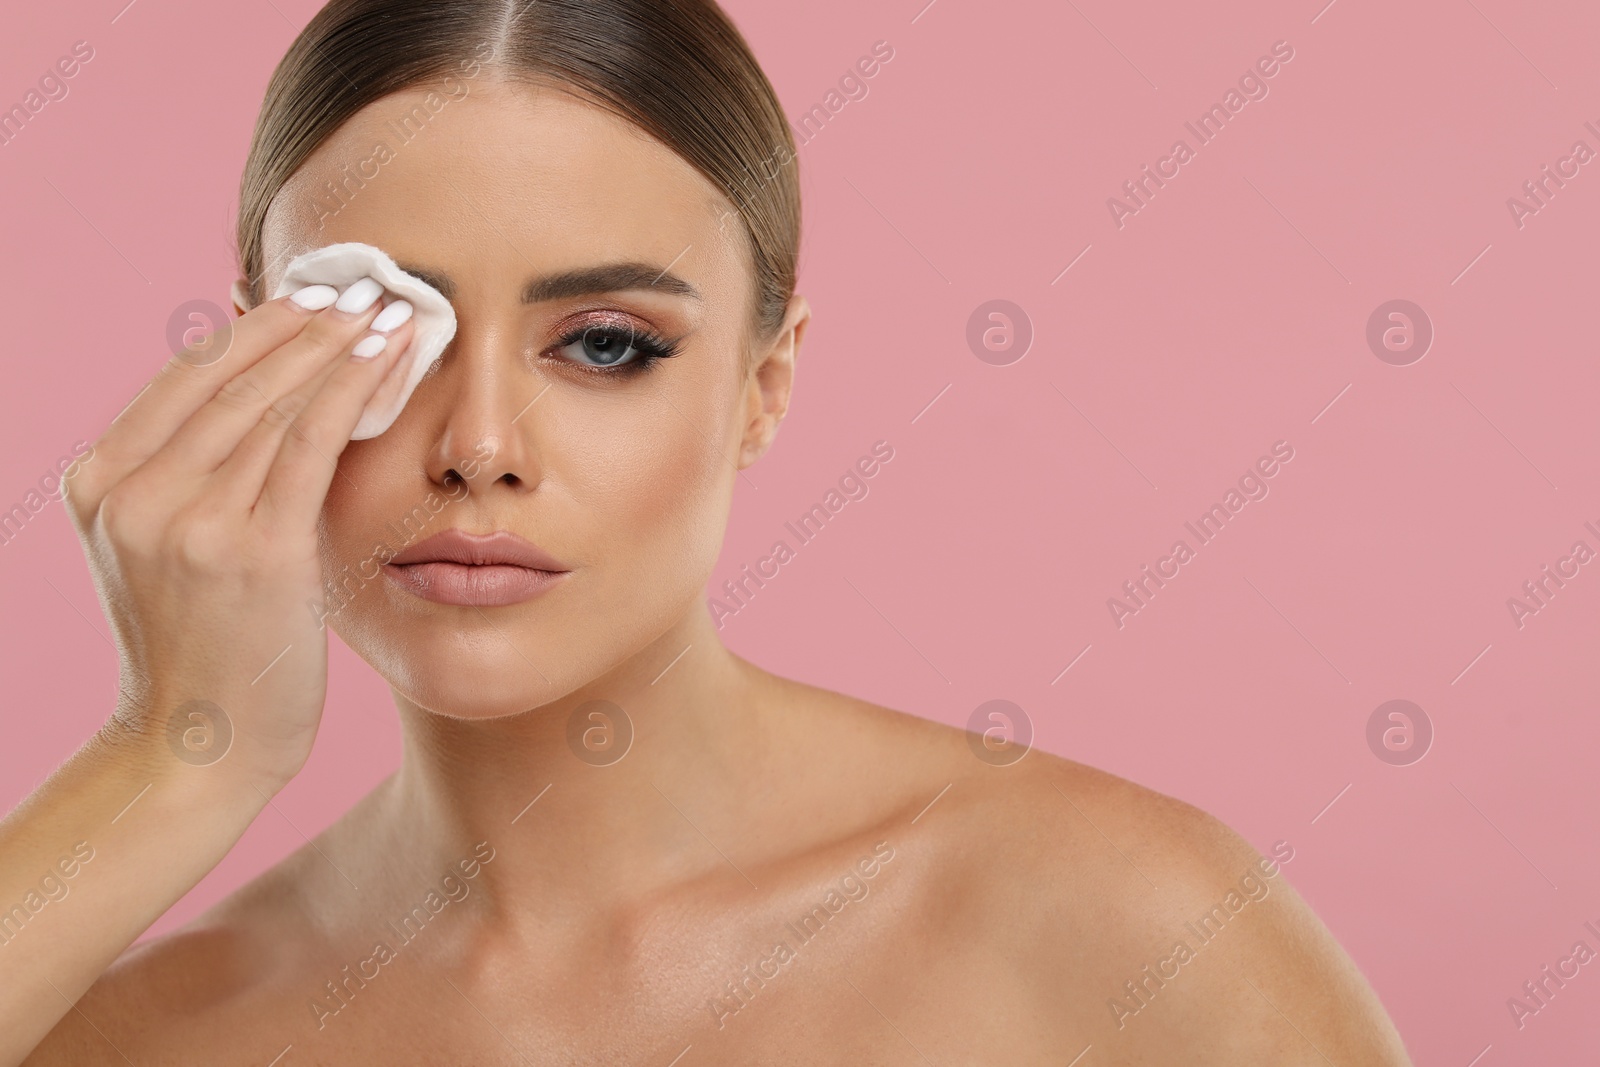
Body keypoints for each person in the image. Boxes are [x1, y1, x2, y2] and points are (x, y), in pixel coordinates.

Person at [3, 0, 1413, 1062]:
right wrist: (172, 758)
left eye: (607, 345)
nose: (480, 448)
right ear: (248, 366)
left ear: (764, 384)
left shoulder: (1125, 930)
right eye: (389, 336)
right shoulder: (142, 1027)